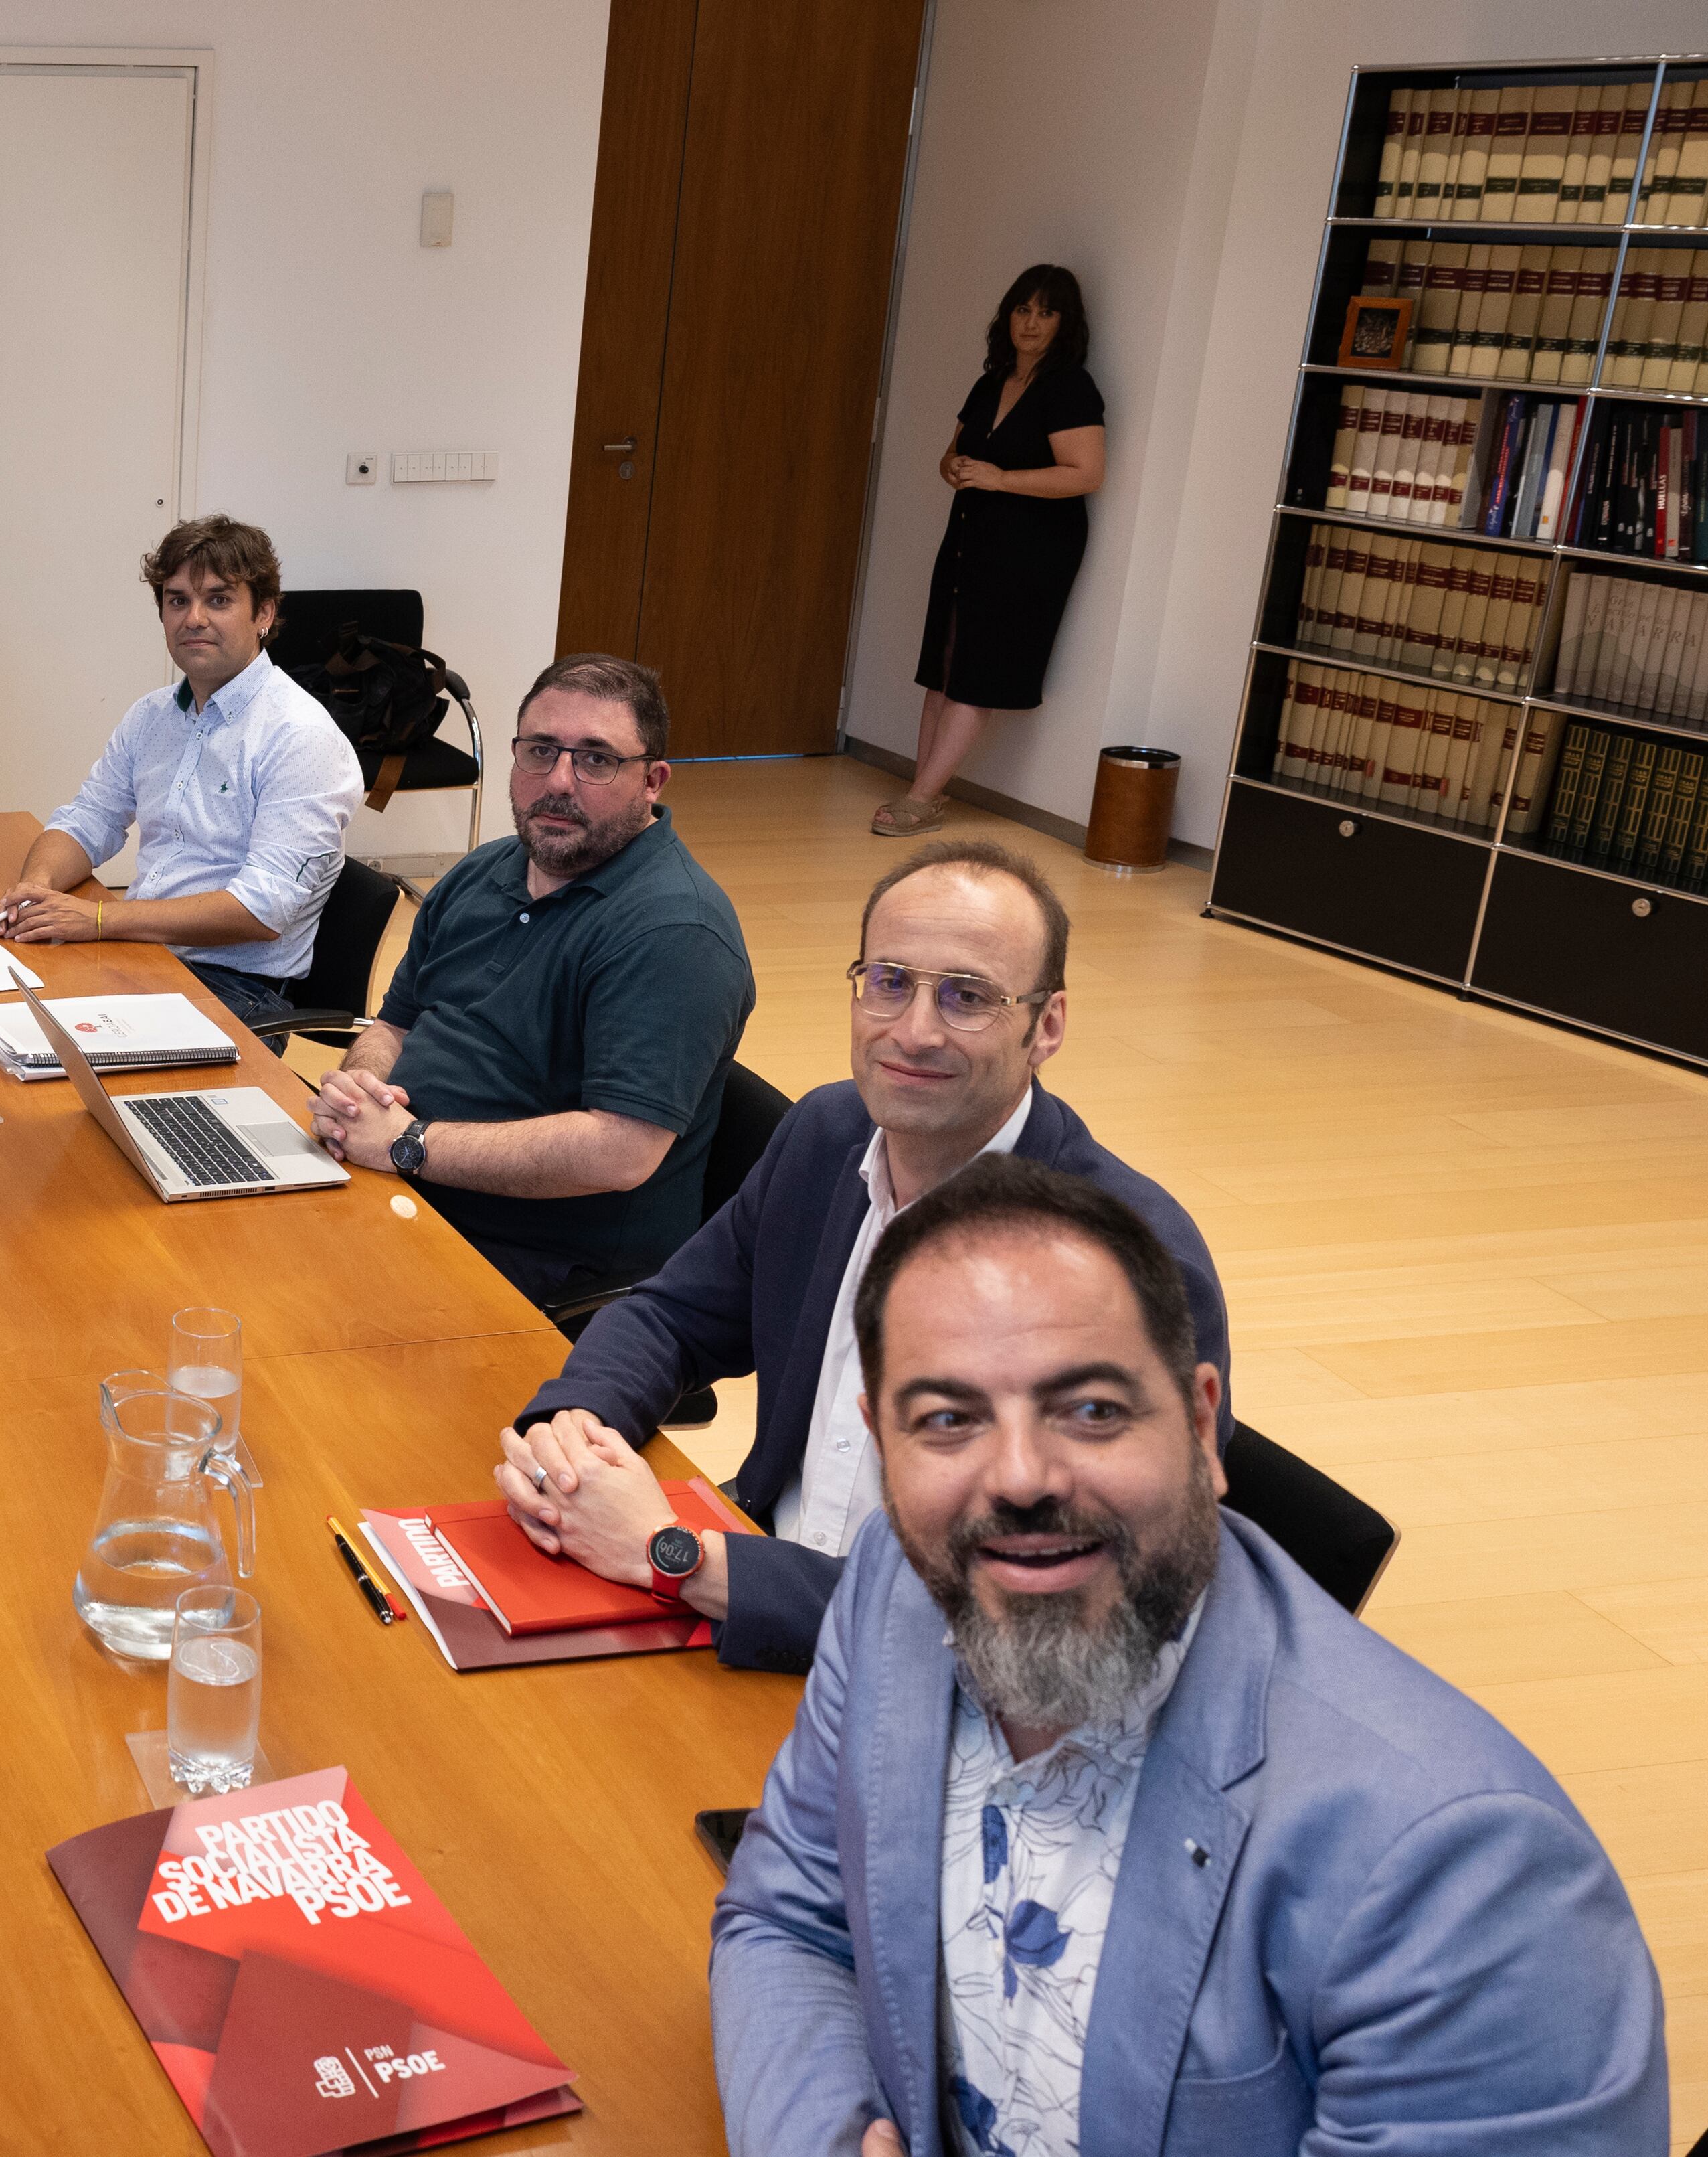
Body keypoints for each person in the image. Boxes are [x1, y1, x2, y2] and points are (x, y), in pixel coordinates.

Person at [711, 1156, 1665, 2157]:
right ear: (882, 1443)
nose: (1023, 1477)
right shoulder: (896, 1587)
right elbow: (789, 1919)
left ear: (1204, 1424)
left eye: (1092, 1410)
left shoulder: (1459, 1873)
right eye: (948, 1420)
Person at [493, 839, 1229, 1674]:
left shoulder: (1125, 1274)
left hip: (945, 1701)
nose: (912, 1031)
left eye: (966, 998)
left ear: (1045, 1025)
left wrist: (676, 1556)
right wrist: (575, 1425)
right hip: (756, 1605)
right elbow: (672, 1315)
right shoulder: (825, 1134)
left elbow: (1049, 1617)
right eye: (887, 981)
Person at [309, 653, 751, 1305]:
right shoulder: (483, 870)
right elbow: (395, 1022)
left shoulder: (672, 933)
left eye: (596, 759)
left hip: (540, 1266)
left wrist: (408, 1144)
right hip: (404, 1189)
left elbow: (619, 1150)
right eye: (540, 751)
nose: (560, 781)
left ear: (652, 780)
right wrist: (361, 1093)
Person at [0, 515, 363, 1025]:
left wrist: (100, 919)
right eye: (178, 600)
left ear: (265, 615)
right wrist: (38, 890)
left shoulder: (301, 738)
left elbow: (263, 909)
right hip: (141, 953)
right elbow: (90, 819)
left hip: (234, 988)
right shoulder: (152, 716)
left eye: (218, 599)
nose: (193, 618)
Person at [881, 264, 1109, 838]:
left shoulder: (1069, 388)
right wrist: (954, 468)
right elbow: (952, 455)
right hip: (969, 538)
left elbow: (1086, 474)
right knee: (945, 664)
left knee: (979, 670)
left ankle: (923, 795)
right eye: (1022, 310)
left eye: (1046, 312)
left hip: (1032, 549)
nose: (1031, 323)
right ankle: (924, 788)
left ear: (1065, 324)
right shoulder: (992, 381)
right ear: (1007, 316)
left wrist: (1002, 479)